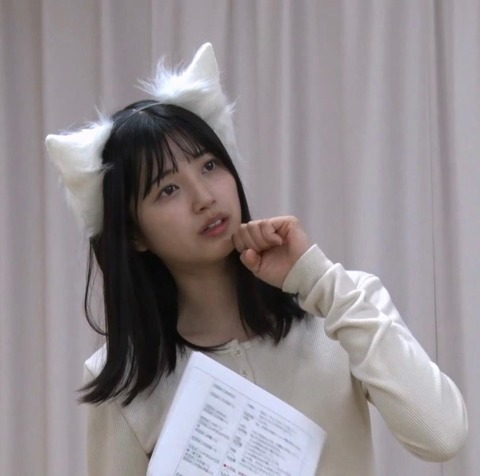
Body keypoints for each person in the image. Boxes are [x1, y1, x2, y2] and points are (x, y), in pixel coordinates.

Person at [46, 43, 468, 476]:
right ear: (134, 235)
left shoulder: (342, 304)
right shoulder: (126, 383)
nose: (204, 197)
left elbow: (442, 436)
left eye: (209, 166)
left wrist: (318, 279)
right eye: (167, 190)